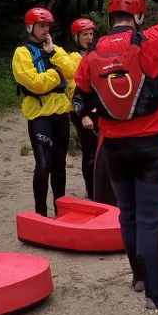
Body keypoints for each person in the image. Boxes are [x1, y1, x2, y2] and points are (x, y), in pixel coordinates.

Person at [73, 0, 158, 310]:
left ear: (110, 18)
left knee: (127, 213)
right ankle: (156, 295)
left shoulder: (91, 54)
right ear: (138, 16)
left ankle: (139, 279)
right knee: (150, 220)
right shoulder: (151, 39)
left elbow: (79, 96)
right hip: (150, 146)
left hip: (113, 147)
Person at [12, 7, 77, 217]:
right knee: (43, 165)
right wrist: (57, 73)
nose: (46, 29)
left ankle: (61, 211)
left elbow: (73, 71)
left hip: (61, 112)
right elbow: (35, 84)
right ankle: (41, 214)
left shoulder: (55, 49)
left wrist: (53, 54)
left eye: (48, 25)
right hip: (39, 114)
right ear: (30, 27)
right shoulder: (22, 53)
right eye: (41, 26)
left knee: (59, 165)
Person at [66, 17, 105, 203]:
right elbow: (74, 88)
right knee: (89, 152)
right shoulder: (74, 57)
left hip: (97, 110)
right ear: (76, 37)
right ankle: (91, 192)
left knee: (100, 151)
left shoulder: (95, 54)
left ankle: (101, 189)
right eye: (85, 35)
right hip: (81, 111)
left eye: (91, 34)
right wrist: (83, 114)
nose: (89, 37)